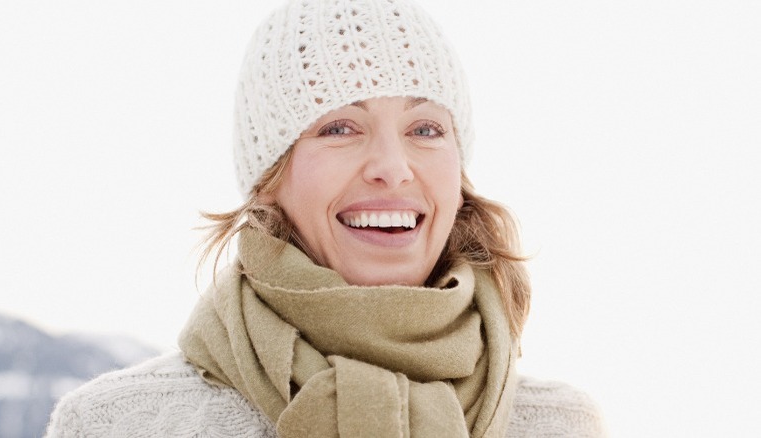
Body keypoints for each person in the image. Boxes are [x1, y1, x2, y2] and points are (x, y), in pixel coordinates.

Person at [46, 0, 607, 436]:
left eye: (426, 129)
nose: (393, 168)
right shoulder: (121, 425)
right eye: (339, 127)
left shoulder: (558, 425)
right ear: (268, 177)